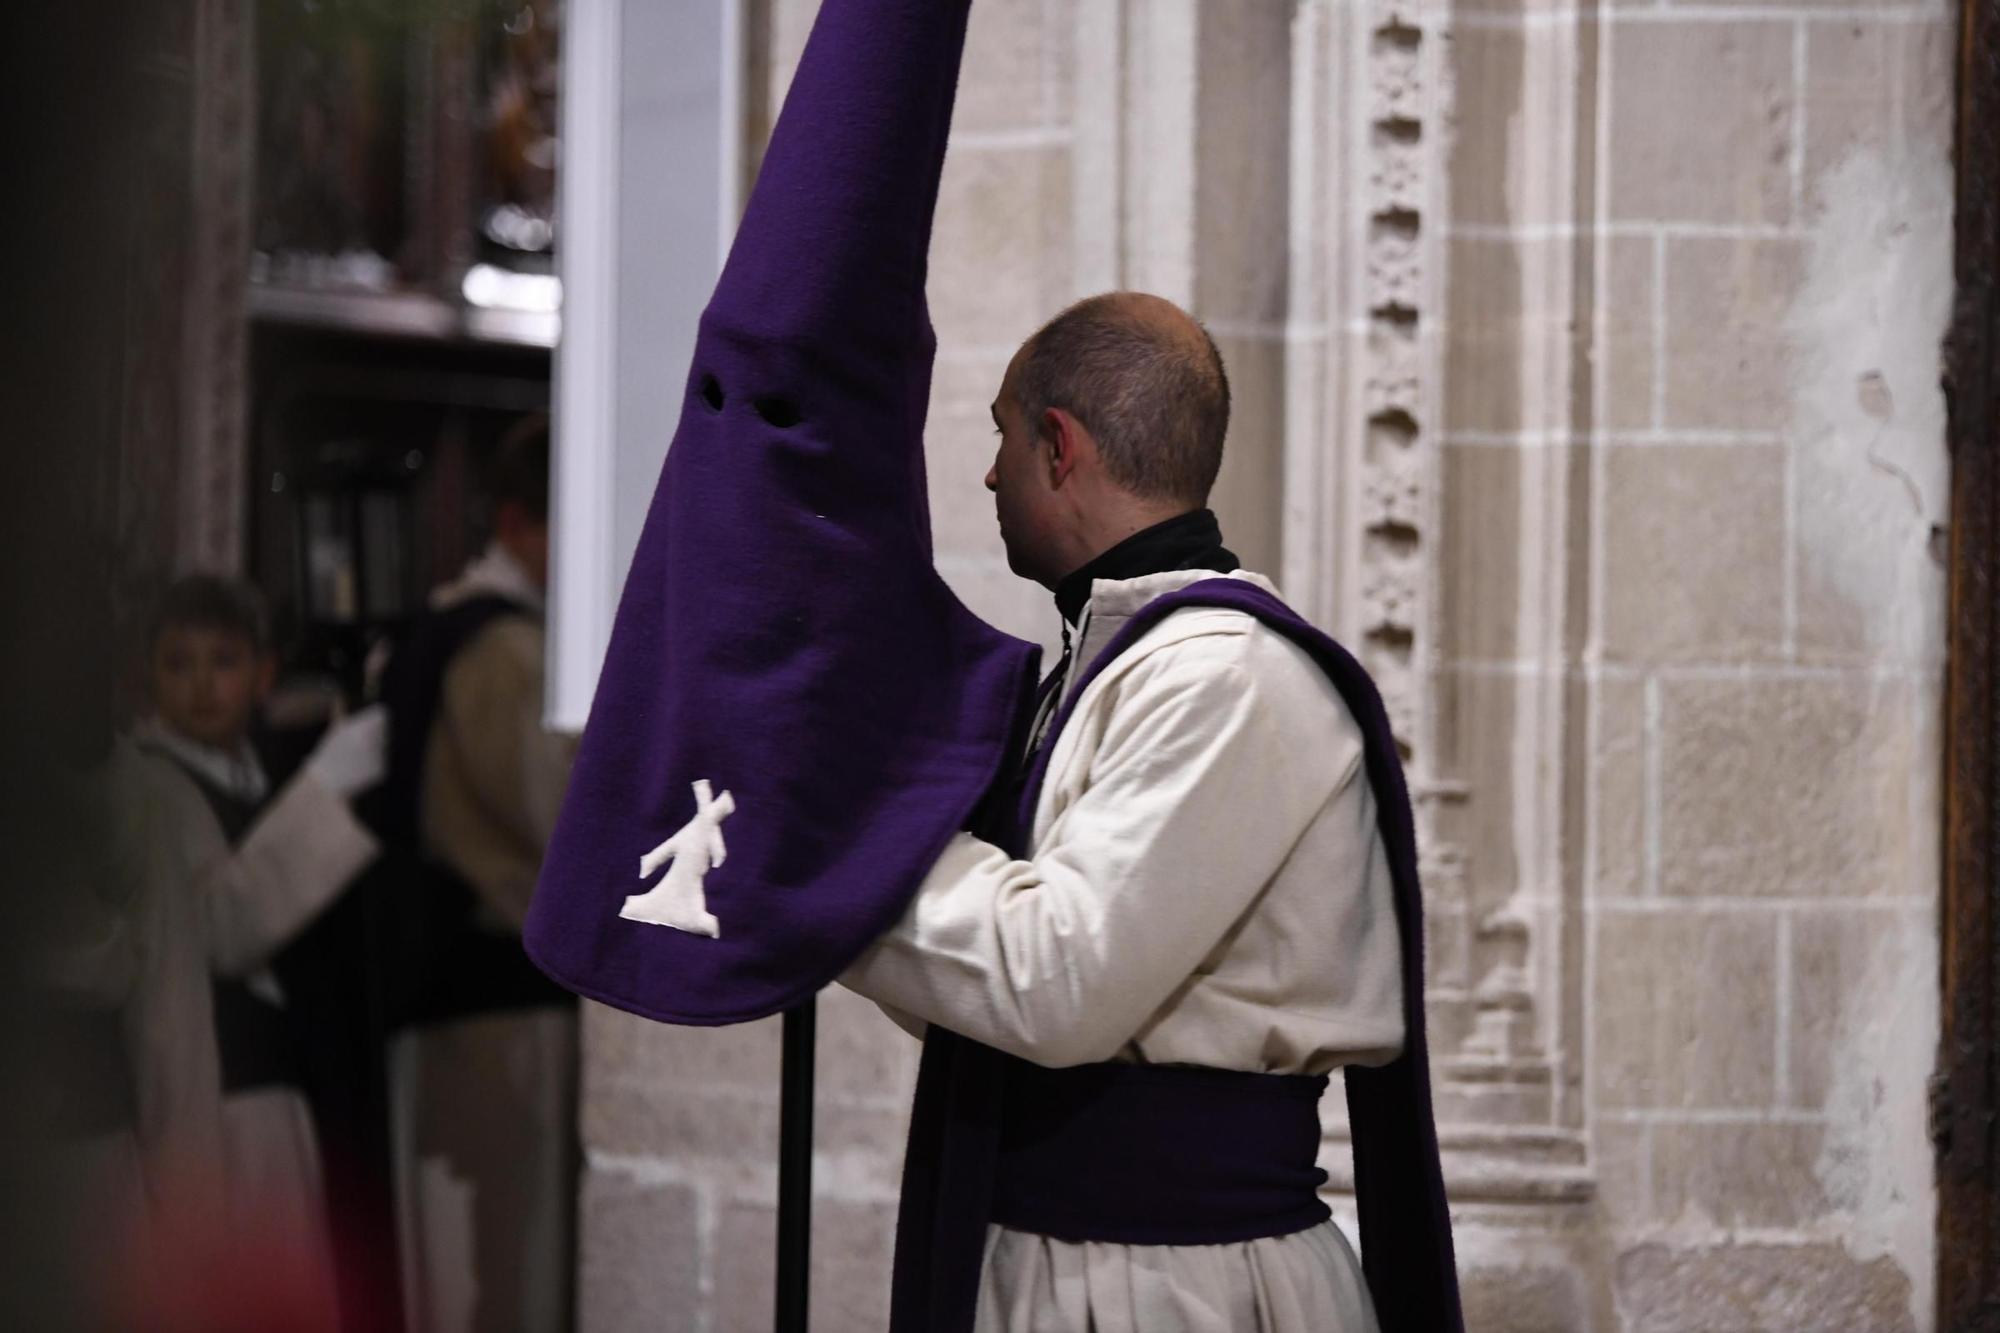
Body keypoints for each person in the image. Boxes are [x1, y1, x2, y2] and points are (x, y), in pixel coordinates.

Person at [129, 575, 387, 1330]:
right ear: (148, 674)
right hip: (217, 1094)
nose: (203, 685)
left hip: (282, 1085)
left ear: (263, 673)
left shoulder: (252, 771)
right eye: (178, 664)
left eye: (224, 661)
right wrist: (327, 786)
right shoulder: (152, 786)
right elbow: (219, 930)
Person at [380, 415, 578, 1333]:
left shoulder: (456, 630)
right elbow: (560, 818)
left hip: (466, 997)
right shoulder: (500, 648)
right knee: (510, 1274)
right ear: (516, 524)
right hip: (495, 1006)